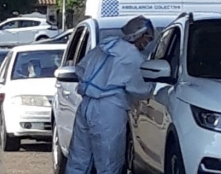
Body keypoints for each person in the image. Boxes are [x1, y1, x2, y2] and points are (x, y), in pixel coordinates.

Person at [66, 15, 157, 174]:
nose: (147, 43)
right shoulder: (133, 57)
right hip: (109, 109)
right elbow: (140, 89)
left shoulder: (104, 46)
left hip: (86, 105)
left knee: (79, 158)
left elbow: (80, 69)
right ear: (140, 35)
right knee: (109, 160)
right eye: (147, 38)